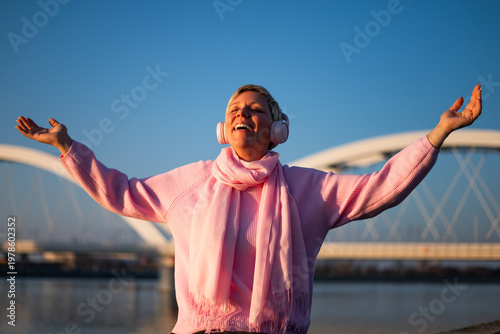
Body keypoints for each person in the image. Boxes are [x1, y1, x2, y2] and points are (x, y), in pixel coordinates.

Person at [15, 84, 482, 334]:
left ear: (277, 130)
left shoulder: (307, 189)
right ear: (224, 126)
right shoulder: (191, 182)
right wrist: (67, 148)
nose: (244, 113)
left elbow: (382, 188)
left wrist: (437, 134)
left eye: (256, 109)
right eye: (237, 107)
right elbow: (122, 192)